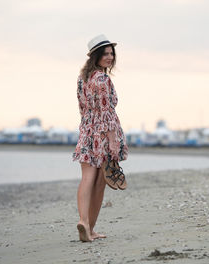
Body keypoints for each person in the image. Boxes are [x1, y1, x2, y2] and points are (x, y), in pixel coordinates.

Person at [72, 34, 128, 242]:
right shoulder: (103, 79)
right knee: (100, 182)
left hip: (87, 131)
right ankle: (90, 227)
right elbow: (106, 113)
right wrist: (112, 141)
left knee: (87, 178)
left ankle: (84, 222)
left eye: (111, 53)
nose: (110, 57)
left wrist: (88, 128)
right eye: (105, 53)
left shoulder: (83, 78)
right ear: (95, 56)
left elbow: (83, 109)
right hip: (104, 134)